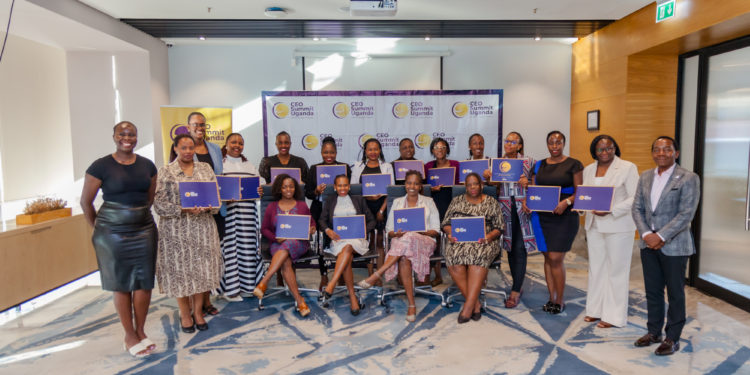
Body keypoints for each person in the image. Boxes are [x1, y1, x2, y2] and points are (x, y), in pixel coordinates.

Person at [80, 121, 158, 357]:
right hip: (111, 232)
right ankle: (129, 335)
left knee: (144, 283)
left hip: (144, 228)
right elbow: (86, 202)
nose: (127, 137)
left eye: (132, 134)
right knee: (122, 284)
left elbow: (149, 198)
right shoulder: (101, 166)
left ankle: (141, 331)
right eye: (122, 134)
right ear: (114, 136)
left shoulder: (147, 165)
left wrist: (135, 217)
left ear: (137, 137)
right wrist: (99, 228)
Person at [632, 136, 700, 356]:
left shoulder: (688, 178)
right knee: (652, 291)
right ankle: (654, 332)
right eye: (657, 149)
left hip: (674, 245)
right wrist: (646, 234)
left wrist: (660, 235)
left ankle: (672, 337)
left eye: (667, 149)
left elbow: (686, 213)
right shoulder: (645, 176)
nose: (661, 153)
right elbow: (637, 208)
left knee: (675, 293)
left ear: (676, 153)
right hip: (648, 244)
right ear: (652, 153)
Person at [154, 134, 223, 333]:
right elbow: (159, 204)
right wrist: (183, 209)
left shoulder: (205, 168)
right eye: (183, 148)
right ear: (175, 148)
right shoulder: (166, 172)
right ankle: (185, 314)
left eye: (191, 148)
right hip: (176, 232)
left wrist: (209, 206)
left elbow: (216, 199)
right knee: (181, 274)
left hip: (203, 229)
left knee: (201, 271)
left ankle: (198, 312)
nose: (187, 151)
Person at [358, 171, 440, 322]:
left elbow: (436, 230)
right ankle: (411, 304)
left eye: (416, 183)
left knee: (409, 236)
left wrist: (419, 231)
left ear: (420, 186)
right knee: (403, 256)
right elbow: (389, 230)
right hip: (402, 243)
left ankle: (378, 273)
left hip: (424, 241)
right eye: (409, 183)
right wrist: (396, 233)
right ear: (405, 185)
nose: (412, 186)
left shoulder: (428, 201)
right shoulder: (397, 203)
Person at [582, 135, 639, 328]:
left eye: (609, 148)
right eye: (600, 149)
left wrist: (612, 210)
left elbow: (635, 197)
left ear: (615, 148)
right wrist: (581, 206)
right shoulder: (589, 169)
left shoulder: (627, 168)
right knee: (596, 268)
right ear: (594, 151)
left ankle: (614, 316)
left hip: (619, 225)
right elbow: (586, 195)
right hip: (594, 225)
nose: (605, 152)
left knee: (616, 270)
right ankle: (595, 310)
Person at [524, 130, 583, 315]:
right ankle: (551, 297)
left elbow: (579, 192)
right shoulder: (539, 165)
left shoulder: (574, 164)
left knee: (557, 258)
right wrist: (528, 201)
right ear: (547, 144)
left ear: (563, 143)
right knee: (548, 257)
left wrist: (566, 202)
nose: (555, 146)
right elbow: (533, 189)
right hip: (541, 216)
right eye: (551, 142)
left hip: (564, 215)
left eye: (558, 142)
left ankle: (560, 299)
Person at [483, 132, 537, 308]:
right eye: (506, 141)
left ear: (520, 145)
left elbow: (537, 185)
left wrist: (528, 183)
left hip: (523, 208)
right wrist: (488, 178)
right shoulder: (497, 162)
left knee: (520, 248)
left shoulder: (529, 162)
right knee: (511, 248)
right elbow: (495, 185)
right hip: (505, 209)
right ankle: (517, 284)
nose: (508, 144)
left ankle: (515, 290)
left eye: (513, 141)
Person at [442, 173, 503, 323]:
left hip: (484, 240)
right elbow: (445, 224)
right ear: (465, 187)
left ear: (481, 185)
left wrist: (489, 237)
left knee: (477, 256)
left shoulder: (491, 202)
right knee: (453, 257)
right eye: (469, 185)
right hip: (460, 239)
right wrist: (450, 233)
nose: (473, 187)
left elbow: (499, 227)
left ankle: (468, 306)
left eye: (475, 184)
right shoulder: (457, 201)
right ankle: (475, 304)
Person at [254, 174, 316, 317]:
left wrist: (312, 228)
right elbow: (264, 229)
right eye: (285, 187)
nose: (289, 189)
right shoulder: (271, 207)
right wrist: (275, 237)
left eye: (291, 186)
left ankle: (265, 280)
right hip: (277, 243)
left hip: (299, 243)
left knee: (289, 245)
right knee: (286, 261)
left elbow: (312, 223)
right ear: (279, 189)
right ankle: (300, 300)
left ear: (295, 189)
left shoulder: (302, 205)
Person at [319, 174, 377, 315]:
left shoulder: (358, 200)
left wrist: (362, 230)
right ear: (335, 187)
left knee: (348, 248)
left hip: (357, 240)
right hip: (339, 240)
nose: (343, 188)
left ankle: (331, 284)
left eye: (345, 185)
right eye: (339, 185)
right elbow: (321, 220)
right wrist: (328, 231)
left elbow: (372, 221)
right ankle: (352, 298)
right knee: (347, 255)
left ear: (349, 186)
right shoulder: (330, 201)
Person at [219, 133, 265, 302]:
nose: (237, 145)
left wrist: (259, 191)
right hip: (229, 213)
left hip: (247, 214)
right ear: (226, 144)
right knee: (230, 250)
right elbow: (216, 188)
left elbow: (258, 186)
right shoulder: (220, 165)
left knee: (248, 249)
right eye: (233, 142)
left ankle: (247, 286)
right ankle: (231, 290)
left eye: (240, 143)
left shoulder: (249, 165)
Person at [186, 111, 224, 316]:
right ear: (188, 126)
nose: (199, 127)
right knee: (194, 258)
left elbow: (219, 177)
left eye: (202, 124)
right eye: (195, 124)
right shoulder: (183, 148)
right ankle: (194, 305)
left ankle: (207, 301)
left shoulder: (215, 149)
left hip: (213, 210)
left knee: (210, 257)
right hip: (191, 212)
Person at [305, 136, 352, 291]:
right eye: (325, 153)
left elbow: (348, 190)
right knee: (322, 245)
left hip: (340, 211)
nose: (329, 156)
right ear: (321, 153)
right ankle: (324, 275)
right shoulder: (314, 169)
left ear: (336, 153)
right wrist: (316, 191)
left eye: (332, 152)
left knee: (341, 241)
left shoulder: (345, 167)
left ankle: (341, 276)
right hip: (320, 211)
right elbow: (308, 194)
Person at [351, 138, 395, 274]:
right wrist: (369, 197)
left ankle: (379, 273)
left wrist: (382, 210)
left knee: (380, 240)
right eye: (370, 149)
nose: (373, 152)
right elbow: (354, 190)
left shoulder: (387, 166)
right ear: (365, 151)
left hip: (382, 207)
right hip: (364, 207)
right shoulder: (358, 166)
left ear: (380, 150)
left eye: (376, 149)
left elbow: (391, 191)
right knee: (369, 240)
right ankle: (371, 273)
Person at [423, 137, 459, 286]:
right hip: (434, 203)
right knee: (435, 241)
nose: (440, 150)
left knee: (455, 238)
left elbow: (461, 186)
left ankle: (458, 274)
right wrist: (430, 188)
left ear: (447, 150)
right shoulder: (427, 166)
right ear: (432, 150)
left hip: (452, 204)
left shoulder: (456, 165)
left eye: (443, 147)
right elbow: (422, 187)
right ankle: (437, 275)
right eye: (437, 147)